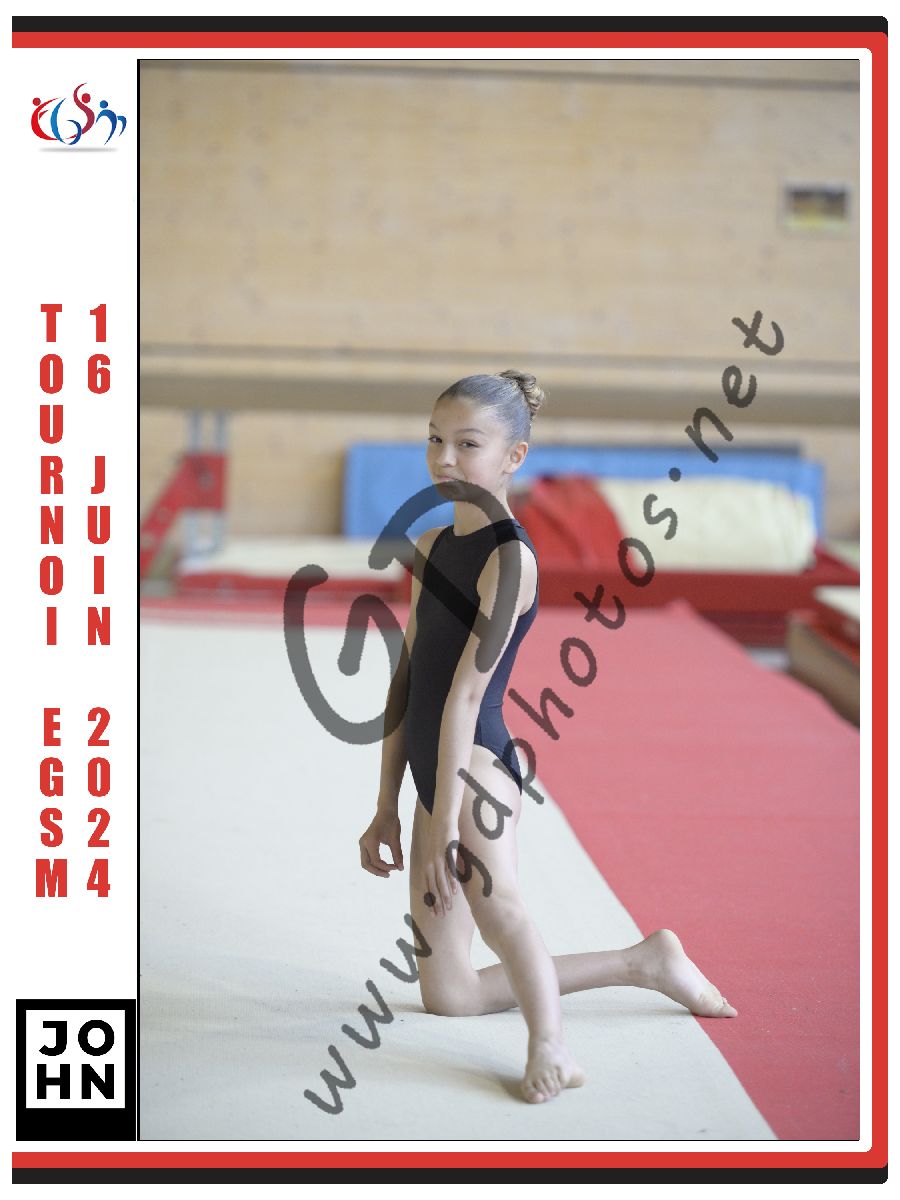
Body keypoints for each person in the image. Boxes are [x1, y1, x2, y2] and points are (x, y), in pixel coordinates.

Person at [359, 370, 737, 1105]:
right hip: (433, 768)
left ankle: (551, 1046)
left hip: (475, 765)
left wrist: (445, 820)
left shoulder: (512, 559)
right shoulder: (432, 546)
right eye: (434, 439)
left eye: (467, 444)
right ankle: (643, 962)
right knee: (450, 994)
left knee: (500, 909)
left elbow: (467, 693)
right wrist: (387, 807)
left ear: (514, 456)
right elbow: (408, 680)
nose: (443, 458)